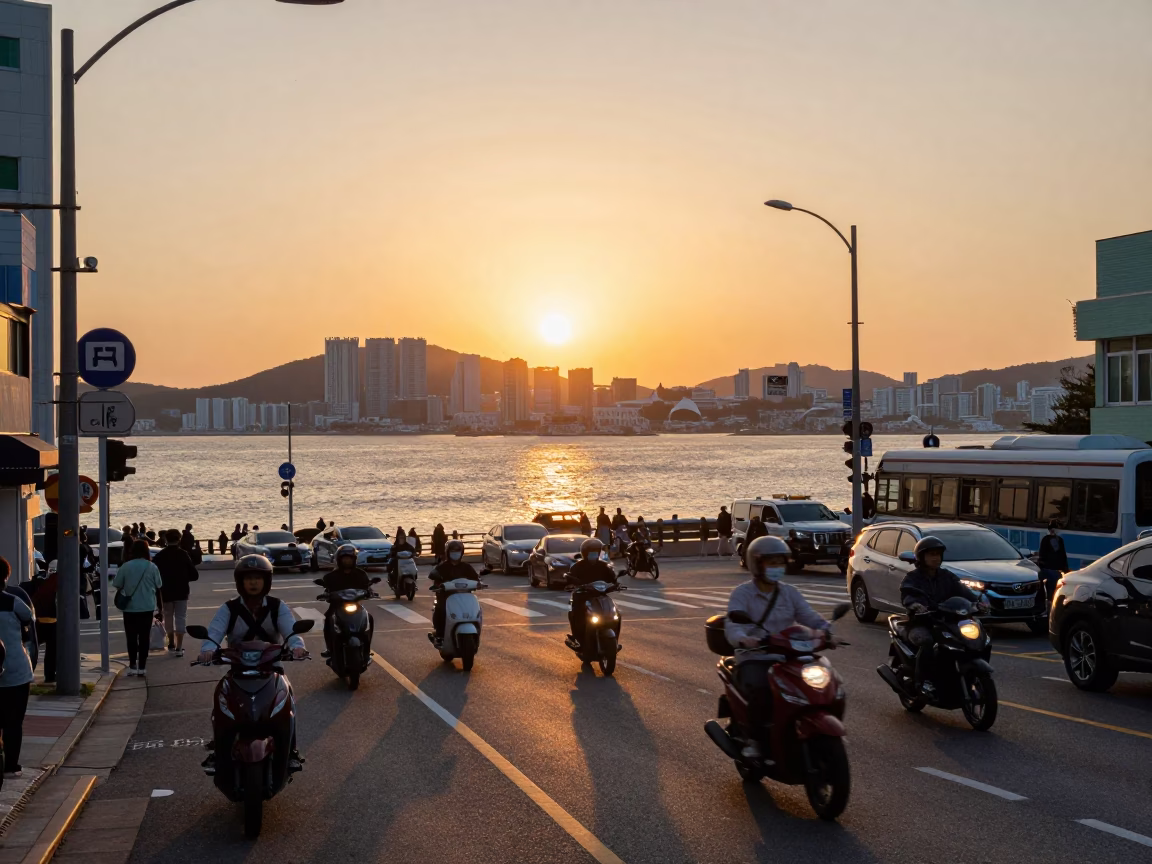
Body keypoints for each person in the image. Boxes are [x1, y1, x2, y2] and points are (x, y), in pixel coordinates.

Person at [196, 555, 307, 772]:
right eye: (249, 578)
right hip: (238, 670)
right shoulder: (229, 608)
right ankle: (219, 751)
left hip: (270, 669)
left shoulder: (277, 606)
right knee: (221, 705)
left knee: (288, 704)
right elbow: (214, 633)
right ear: (240, 582)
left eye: (258, 578)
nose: (253, 583)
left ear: (267, 581)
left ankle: (291, 750)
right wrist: (207, 650)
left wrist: (297, 646)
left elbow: (291, 630)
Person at [725, 536, 832, 759]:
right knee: (762, 690)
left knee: (825, 684)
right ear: (758, 565)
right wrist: (744, 639)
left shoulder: (789, 592)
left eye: (780, 563)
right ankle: (754, 739)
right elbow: (732, 624)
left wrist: (826, 630)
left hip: (788, 656)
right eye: (771, 563)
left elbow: (807, 615)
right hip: (755, 657)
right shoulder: (742, 594)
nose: (777, 568)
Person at [900, 536, 989, 696]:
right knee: (927, 642)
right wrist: (915, 605)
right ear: (921, 557)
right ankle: (923, 681)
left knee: (978, 638)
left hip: (946, 620)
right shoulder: (913, 578)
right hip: (921, 622)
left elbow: (963, 591)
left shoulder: (946, 576)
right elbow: (908, 594)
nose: (936, 558)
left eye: (938, 554)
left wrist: (977, 603)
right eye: (931, 554)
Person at [0, 557, 34, 779]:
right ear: (6, 576)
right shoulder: (13, 602)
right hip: (15, 670)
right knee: (14, 721)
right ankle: (11, 765)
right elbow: (29, 618)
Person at [112, 539, 163, 677]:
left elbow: (117, 584)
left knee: (131, 637)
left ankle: (132, 665)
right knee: (145, 637)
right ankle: (142, 666)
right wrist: (161, 609)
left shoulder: (126, 566)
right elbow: (158, 588)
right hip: (147, 607)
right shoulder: (152, 567)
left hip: (130, 608)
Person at [319, 544, 374, 660]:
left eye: (349, 558)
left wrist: (370, 592)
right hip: (337, 606)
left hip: (356, 606)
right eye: (345, 558)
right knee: (328, 619)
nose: (347, 561)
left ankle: (367, 650)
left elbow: (367, 586)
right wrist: (326, 594)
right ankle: (329, 648)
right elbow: (326, 589)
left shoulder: (361, 574)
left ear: (354, 559)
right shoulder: (331, 576)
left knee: (370, 618)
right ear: (339, 560)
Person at [564, 538, 617, 650]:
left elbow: (612, 578)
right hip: (582, 595)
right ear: (585, 553)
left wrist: (616, 584)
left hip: (600, 595)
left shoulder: (604, 566)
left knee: (615, 613)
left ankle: (614, 638)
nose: (593, 555)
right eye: (591, 552)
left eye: (596, 552)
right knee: (578, 613)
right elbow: (570, 577)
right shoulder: (577, 566)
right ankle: (578, 639)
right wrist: (572, 583)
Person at [154, 529, 198, 657]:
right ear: (179, 539)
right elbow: (194, 575)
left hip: (166, 591)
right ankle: (179, 647)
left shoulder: (160, 556)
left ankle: (171, 643)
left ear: (165, 540)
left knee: (168, 616)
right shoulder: (183, 554)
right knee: (180, 617)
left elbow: (155, 575)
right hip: (182, 590)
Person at [428, 539, 477, 642]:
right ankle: (439, 634)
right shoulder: (443, 566)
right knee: (440, 609)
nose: (455, 553)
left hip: (464, 598)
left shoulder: (466, 567)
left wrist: (479, 583)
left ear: (462, 552)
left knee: (476, 610)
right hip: (447, 598)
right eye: (453, 551)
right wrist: (437, 581)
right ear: (448, 552)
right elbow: (433, 574)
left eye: (458, 551)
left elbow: (475, 578)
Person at [24, 562, 56, 683]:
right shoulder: (56, 583)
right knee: (51, 651)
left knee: (32, 648)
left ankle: (29, 673)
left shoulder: (35, 584)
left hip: (36, 622)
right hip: (53, 622)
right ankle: (50, 676)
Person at [1037, 519, 1069, 606]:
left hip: (1055, 569)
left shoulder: (1059, 540)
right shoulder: (1047, 540)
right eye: (1052, 528)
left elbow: (1062, 554)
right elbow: (1042, 553)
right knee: (1050, 588)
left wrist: (1065, 567)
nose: (1053, 530)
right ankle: (1048, 603)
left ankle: (1049, 602)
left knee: (1053, 588)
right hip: (1049, 569)